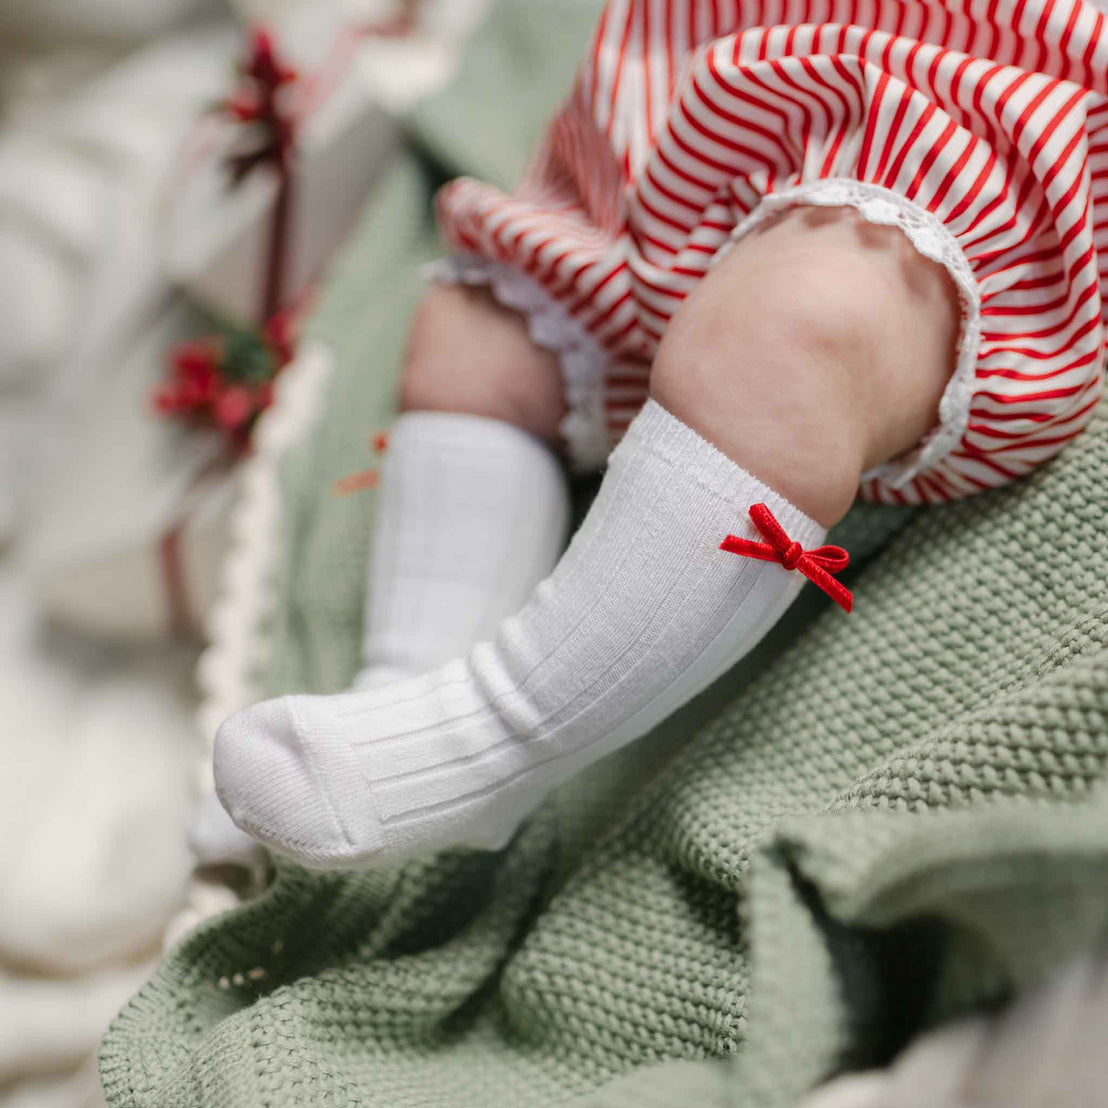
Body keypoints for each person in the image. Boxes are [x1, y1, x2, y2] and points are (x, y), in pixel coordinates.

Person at [212, 0, 1107, 869]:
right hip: (704, 100)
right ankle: (403, 693)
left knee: (803, 327)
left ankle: (499, 731)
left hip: (962, 110)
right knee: (480, 327)